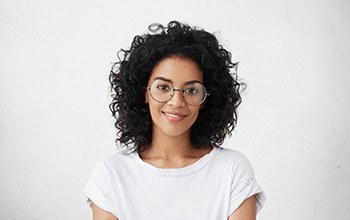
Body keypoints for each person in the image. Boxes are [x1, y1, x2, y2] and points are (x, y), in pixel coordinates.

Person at [85, 21, 266, 220]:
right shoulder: (111, 174)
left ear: (205, 100)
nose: (177, 102)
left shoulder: (232, 170)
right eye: (163, 87)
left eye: (191, 90)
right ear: (143, 92)